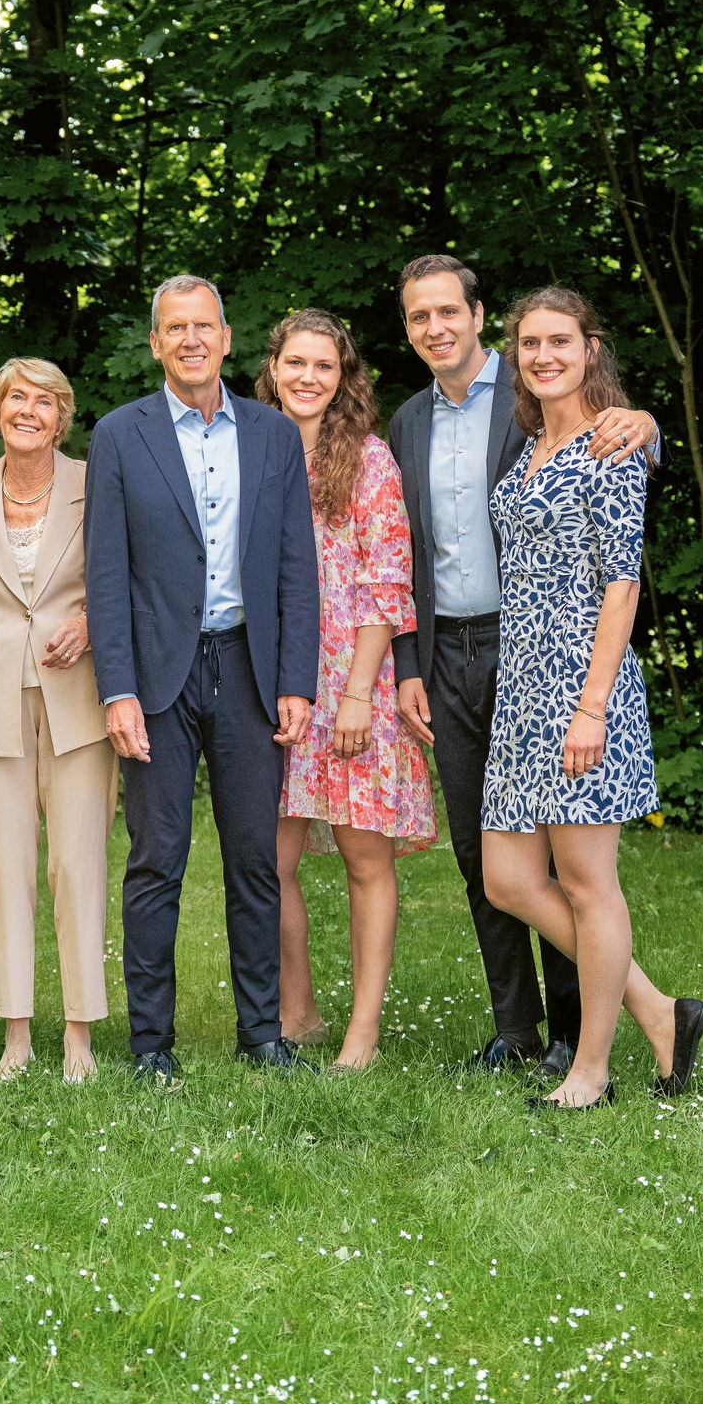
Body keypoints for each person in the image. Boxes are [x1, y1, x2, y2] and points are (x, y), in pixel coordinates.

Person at [387, 254, 658, 1079]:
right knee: (492, 863)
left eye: (448, 312)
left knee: (571, 866)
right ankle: (519, 1030)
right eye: (417, 317)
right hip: (449, 654)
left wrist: (647, 422)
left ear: (476, 317)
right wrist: (408, 663)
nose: (435, 328)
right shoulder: (407, 423)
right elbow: (403, 557)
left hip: (542, 651)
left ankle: (586, 1037)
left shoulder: (538, 400)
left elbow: (622, 482)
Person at [84, 275, 319, 1084]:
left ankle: (263, 1034)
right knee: (158, 861)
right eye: (173, 328)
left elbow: (297, 565)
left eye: (204, 326)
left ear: (226, 338)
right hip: (156, 678)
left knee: (256, 861)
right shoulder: (120, 435)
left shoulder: (273, 435)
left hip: (250, 670)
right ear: (155, 343)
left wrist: (297, 678)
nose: (190, 340)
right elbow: (105, 574)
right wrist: (116, 689)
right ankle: (151, 1044)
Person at [479, 286, 703, 1109]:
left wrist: (592, 705)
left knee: (586, 882)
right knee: (508, 877)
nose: (543, 355)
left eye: (558, 342)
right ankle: (657, 1009)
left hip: (582, 682)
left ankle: (591, 1070)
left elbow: (621, 584)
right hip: (520, 689)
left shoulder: (616, 444)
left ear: (590, 348)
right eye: (529, 343)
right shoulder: (532, 444)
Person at [255, 309, 435, 1070]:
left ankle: (362, 1033)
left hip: (351, 680)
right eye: (295, 363)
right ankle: (298, 1013)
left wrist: (361, 692)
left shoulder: (367, 460)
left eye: (323, 367)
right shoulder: (250, 452)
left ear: (343, 376)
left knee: (367, 860)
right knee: (271, 861)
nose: (307, 378)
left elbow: (388, 580)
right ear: (272, 369)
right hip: (274, 682)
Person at [0, 359, 118, 1081]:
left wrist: (92, 624)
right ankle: (17, 1033)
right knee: (4, 868)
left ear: (62, 417)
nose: (28, 411)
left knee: (76, 864)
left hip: (77, 697)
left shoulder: (94, 482)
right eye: (17, 398)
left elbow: (123, 580)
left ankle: (79, 1033)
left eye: (45, 402)